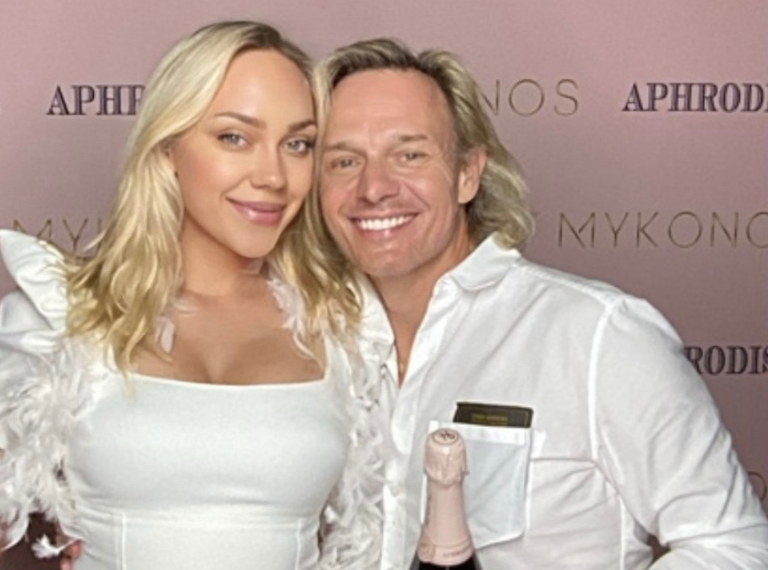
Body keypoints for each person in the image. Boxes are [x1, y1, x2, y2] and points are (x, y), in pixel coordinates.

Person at [0, 21, 384, 570]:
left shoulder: (348, 320)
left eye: (298, 143)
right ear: (167, 151)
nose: (274, 175)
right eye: (233, 137)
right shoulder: (60, 315)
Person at [315, 38, 768, 569]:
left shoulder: (599, 333)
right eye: (344, 161)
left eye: (409, 154)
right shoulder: (311, 344)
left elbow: (733, 547)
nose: (374, 188)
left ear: (467, 173)